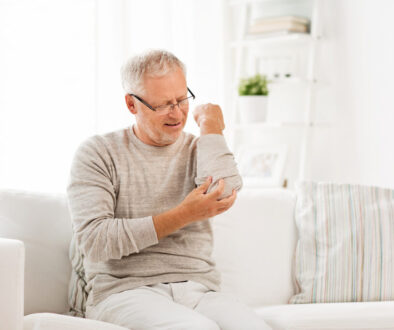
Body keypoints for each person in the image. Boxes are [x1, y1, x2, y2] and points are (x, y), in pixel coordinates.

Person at [67, 49, 271, 330]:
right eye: (163, 104)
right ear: (131, 104)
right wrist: (182, 215)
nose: (177, 113)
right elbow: (94, 240)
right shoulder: (98, 153)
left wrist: (210, 126)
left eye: (181, 99)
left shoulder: (199, 148)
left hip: (199, 291)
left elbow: (224, 193)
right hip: (125, 292)